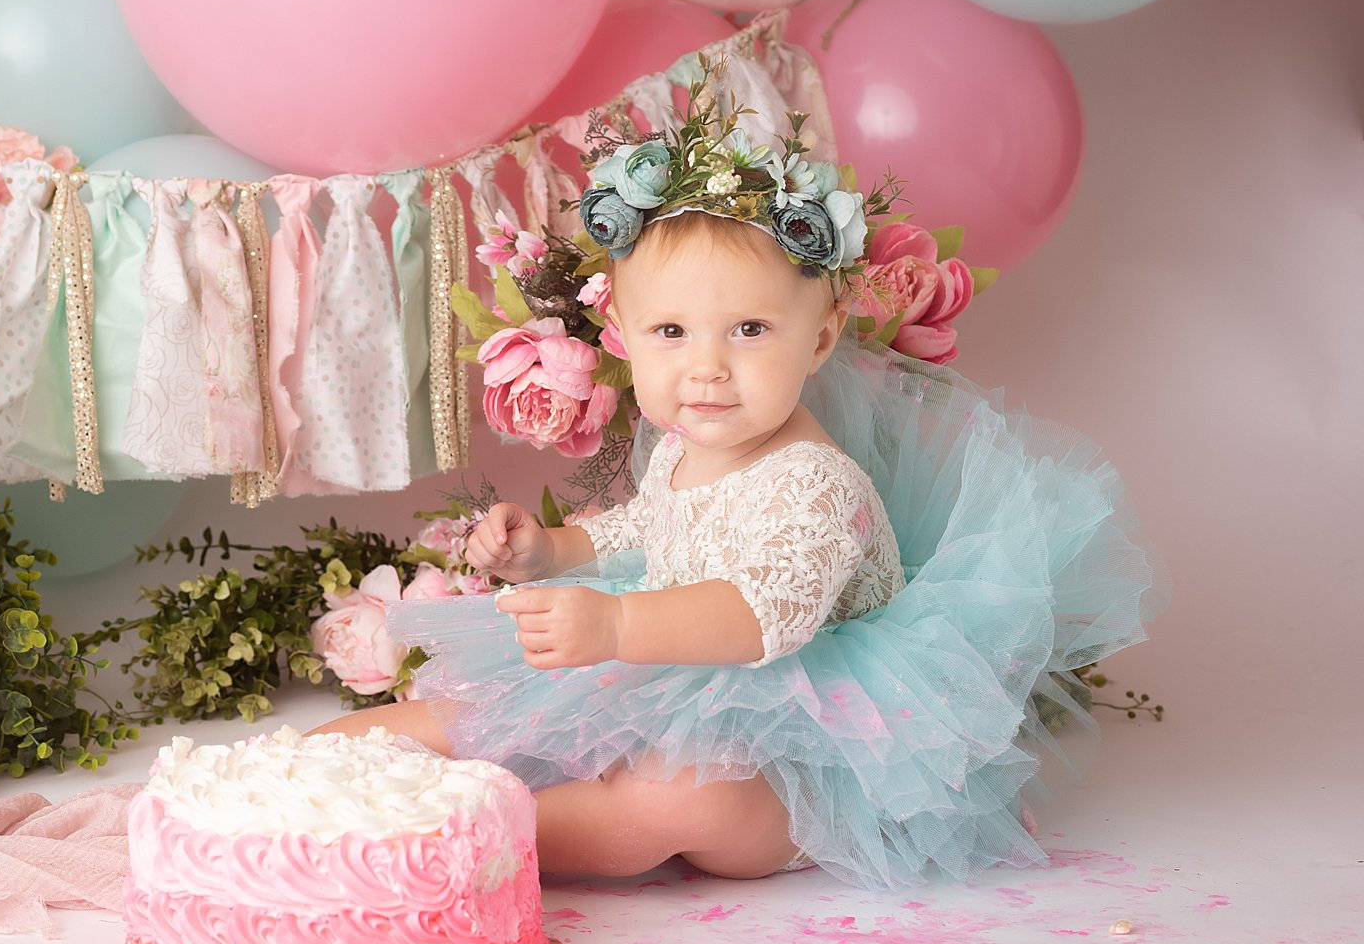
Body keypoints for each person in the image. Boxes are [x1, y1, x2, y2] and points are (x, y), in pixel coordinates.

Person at [313, 98, 1160, 891]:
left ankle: (444, 844)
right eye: (671, 333)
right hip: (667, 667)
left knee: (676, 800)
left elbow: (768, 614)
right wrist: (551, 550)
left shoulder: (817, 484)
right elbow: (654, 525)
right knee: (482, 710)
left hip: (797, 747)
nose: (707, 366)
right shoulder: (684, 443)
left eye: (750, 330)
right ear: (624, 337)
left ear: (821, 334)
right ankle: (287, 774)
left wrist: (613, 625)